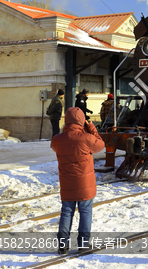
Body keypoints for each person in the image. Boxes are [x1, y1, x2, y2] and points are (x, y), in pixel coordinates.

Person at [51, 107, 105, 254]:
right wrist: (91, 127)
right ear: (81, 120)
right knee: (85, 212)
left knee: (66, 212)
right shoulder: (86, 138)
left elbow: (55, 145)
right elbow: (101, 144)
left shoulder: (57, 140)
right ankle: (83, 244)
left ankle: (63, 245)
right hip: (85, 185)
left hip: (67, 183)